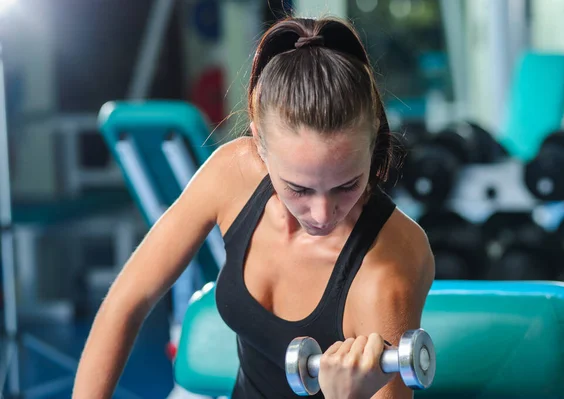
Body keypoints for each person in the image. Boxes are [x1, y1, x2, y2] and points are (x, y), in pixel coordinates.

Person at [73, 16, 434, 399]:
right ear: (259, 142)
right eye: (298, 189)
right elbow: (126, 302)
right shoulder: (233, 174)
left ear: (375, 133)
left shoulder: (387, 271)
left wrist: (349, 396)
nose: (323, 213)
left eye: (347, 185)